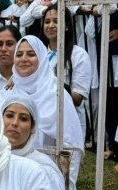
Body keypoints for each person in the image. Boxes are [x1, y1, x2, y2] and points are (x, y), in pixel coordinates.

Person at [0, 35, 84, 190]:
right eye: (19, 54)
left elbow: (72, 145)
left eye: (31, 54)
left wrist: (66, 181)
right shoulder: (9, 92)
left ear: (42, 58)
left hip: (51, 173)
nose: (23, 59)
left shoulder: (57, 94)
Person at [1, 95, 66, 190]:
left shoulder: (44, 168)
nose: (15, 123)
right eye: (9, 115)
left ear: (32, 127)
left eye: (23, 119)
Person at [41, 4, 91, 143]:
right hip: (43, 123)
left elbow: (77, 98)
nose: (51, 25)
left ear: (67, 26)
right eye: (47, 21)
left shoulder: (78, 55)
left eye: (57, 21)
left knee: (65, 164)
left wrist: (50, 82)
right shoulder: (39, 54)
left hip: (68, 123)